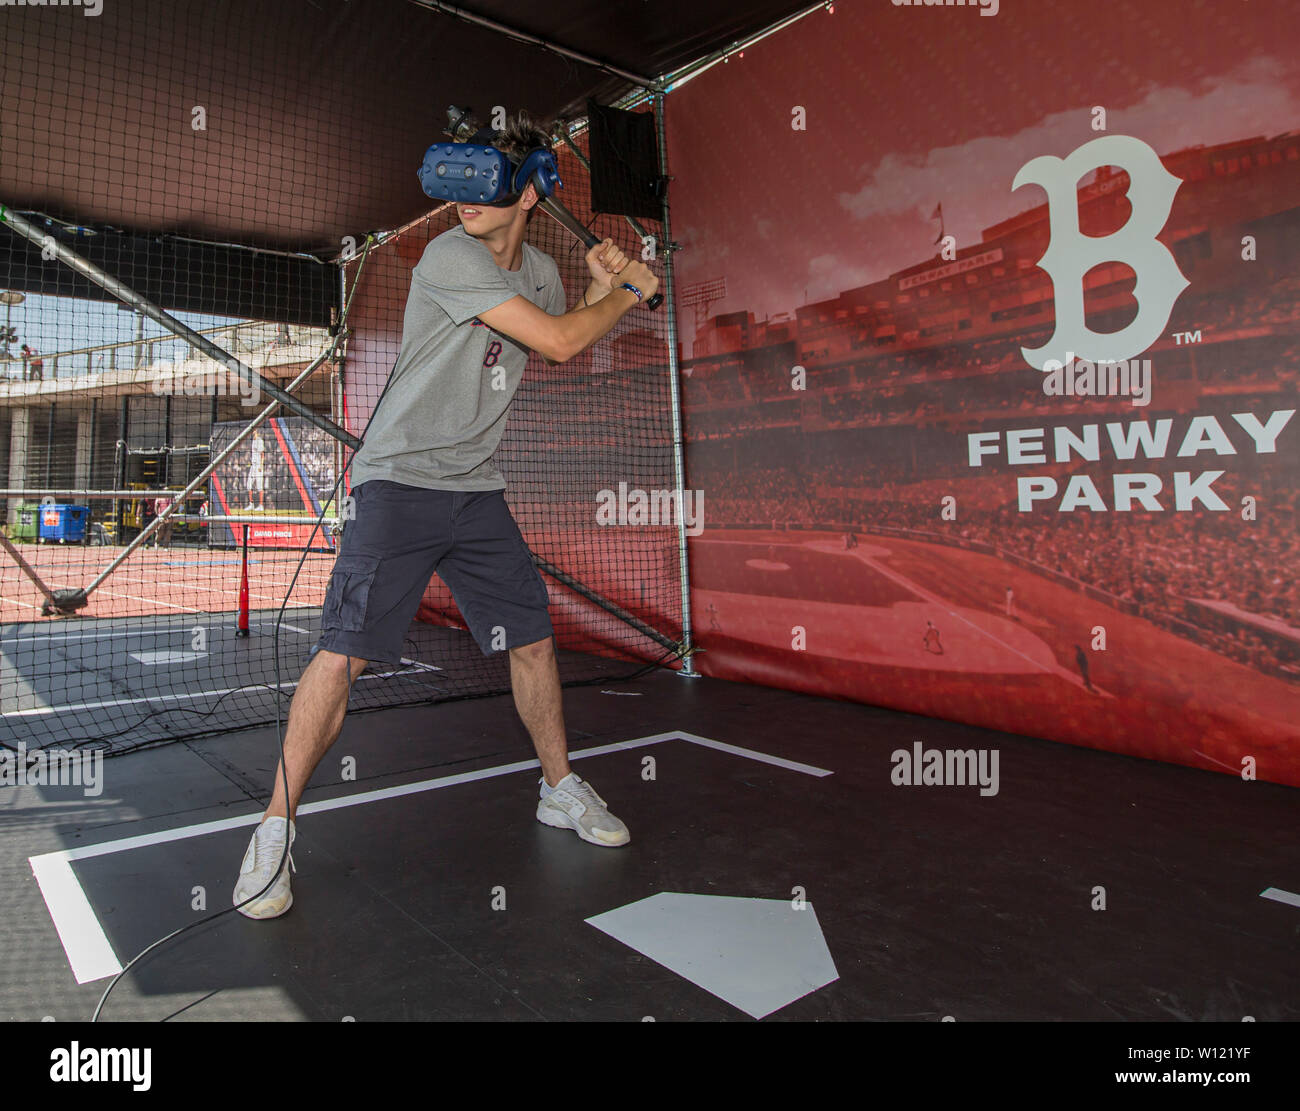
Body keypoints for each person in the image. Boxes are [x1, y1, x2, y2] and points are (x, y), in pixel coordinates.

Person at [234, 110, 660, 919]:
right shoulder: (446, 254)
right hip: (397, 483)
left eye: (484, 179)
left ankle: (559, 786)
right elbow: (568, 344)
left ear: (530, 191)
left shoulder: (539, 275)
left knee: (532, 640)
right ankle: (272, 830)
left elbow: (561, 325)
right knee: (342, 657)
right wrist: (629, 292)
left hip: (475, 486)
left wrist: (606, 285)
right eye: (455, 177)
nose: (461, 196)